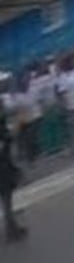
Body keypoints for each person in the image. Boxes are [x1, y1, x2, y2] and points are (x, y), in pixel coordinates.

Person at [0, 99, 26, 242]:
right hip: (3, 166)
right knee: (6, 199)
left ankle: (12, 227)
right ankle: (11, 230)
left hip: (5, 163)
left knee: (6, 200)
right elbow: (6, 141)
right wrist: (17, 125)